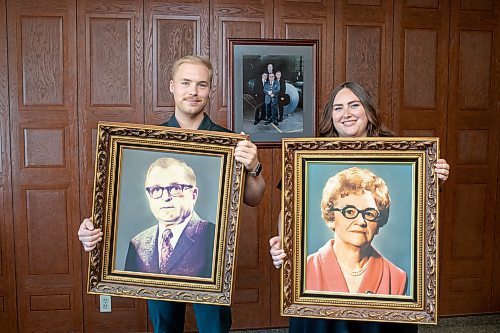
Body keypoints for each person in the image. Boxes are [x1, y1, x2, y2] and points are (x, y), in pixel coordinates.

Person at [78, 55, 265, 333]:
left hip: (211, 262)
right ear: (172, 87)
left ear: (210, 90)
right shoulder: (147, 140)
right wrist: (93, 228)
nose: (193, 91)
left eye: (202, 85)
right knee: (164, 327)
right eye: (186, 83)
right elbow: (113, 194)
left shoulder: (229, 142)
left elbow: (254, 198)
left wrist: (254, 167)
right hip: (158, 268)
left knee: (215, 328)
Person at [269, 81, 450, 333]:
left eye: (355, 105)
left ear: (368, 111)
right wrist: (285, 245)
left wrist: (434, 177)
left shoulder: (400, 152)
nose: (347, 114)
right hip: (317, 312)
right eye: (338, 108)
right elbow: (287, 209)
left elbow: (421, 200)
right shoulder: (309, 154)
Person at [306, 167, 406, 295]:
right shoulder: (304, 269)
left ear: (379, 222)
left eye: (369, 213)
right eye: (349, 211)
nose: (361, 221)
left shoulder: (396, 277)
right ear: (332, 216)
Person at [124, 157, 215, 278]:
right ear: (149, 196)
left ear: (193, 195)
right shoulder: (137, 244)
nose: (166, 197)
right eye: (156, 189)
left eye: (175, 188)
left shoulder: (215, 237)